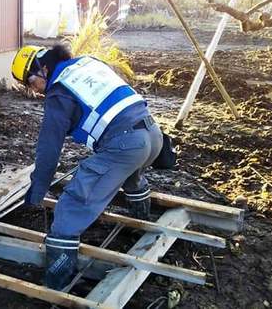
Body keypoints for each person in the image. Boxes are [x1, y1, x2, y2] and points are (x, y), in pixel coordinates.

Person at [10, 44, 163, 290]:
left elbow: (49, 149)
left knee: (71, 205)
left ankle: (57, 282)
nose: (34, 90)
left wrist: (37, 191)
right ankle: (141, 223)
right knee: (130, 174)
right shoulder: (87, 63)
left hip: (126, 144)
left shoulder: (58, 92)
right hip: (153, 135)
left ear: (44, 69)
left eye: (30, 82)